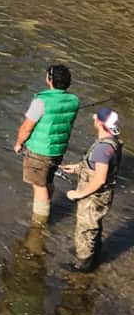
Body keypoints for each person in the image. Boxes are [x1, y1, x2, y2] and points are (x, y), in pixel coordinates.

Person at [13, 64, 80, 223]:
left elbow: (26, 127)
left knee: (39, 185)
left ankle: (39, 222)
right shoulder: (74, 101)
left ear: (49, 80)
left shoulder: (41, 101)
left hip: (39, 150)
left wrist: (19, 143)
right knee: (48, 180)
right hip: (58, 150)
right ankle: (47, 206)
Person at [61, 108, 122, 271]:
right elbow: (97, 167)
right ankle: (94, 252)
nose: (94, 120)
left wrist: (78, 193)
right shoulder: (112, 140)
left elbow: (100, 178)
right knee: (95, 223)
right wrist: (77, 168)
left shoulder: (102, 149)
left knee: (85, 227)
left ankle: (83, 263)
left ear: (100, 123)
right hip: (104, 195)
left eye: (96, 119)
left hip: (94, 196)